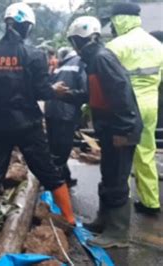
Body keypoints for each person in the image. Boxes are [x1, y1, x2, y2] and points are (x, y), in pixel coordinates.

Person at [0, 2, 75, 232]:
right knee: (49, 171)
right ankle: (70, 218)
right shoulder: (35, 55)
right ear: (27, 27)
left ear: (6, 23)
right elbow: (42, 91)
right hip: (28, 125)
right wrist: (56, 91)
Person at [67, 16, 143, 248]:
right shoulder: (94, 61)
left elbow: (121, 94)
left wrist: (123, 129)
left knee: (117, 179)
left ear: (83, 39)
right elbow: (94, 95)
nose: (74, 46)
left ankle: (118, 233)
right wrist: (68, 94)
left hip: (121, 129)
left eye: (74, 41)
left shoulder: (101, 59)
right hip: (110, 128)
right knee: (109, 174)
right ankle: (105, 220)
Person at [105, 3, 163, 215]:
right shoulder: (157, 45)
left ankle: (123, 201)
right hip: (150, 105)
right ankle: (150, 202)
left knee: (122, 156)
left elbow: (108, 82)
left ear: (119, 19)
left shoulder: (116, 46)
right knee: (146, 152)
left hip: (126, 107)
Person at [45, 47, 88, 188]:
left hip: (51, 111)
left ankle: (65, 178)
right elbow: (84, 91)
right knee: (62, 150)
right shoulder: (80, 63)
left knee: (55, 148)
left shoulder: (60, 67)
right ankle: (56, 186)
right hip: (66, 113)